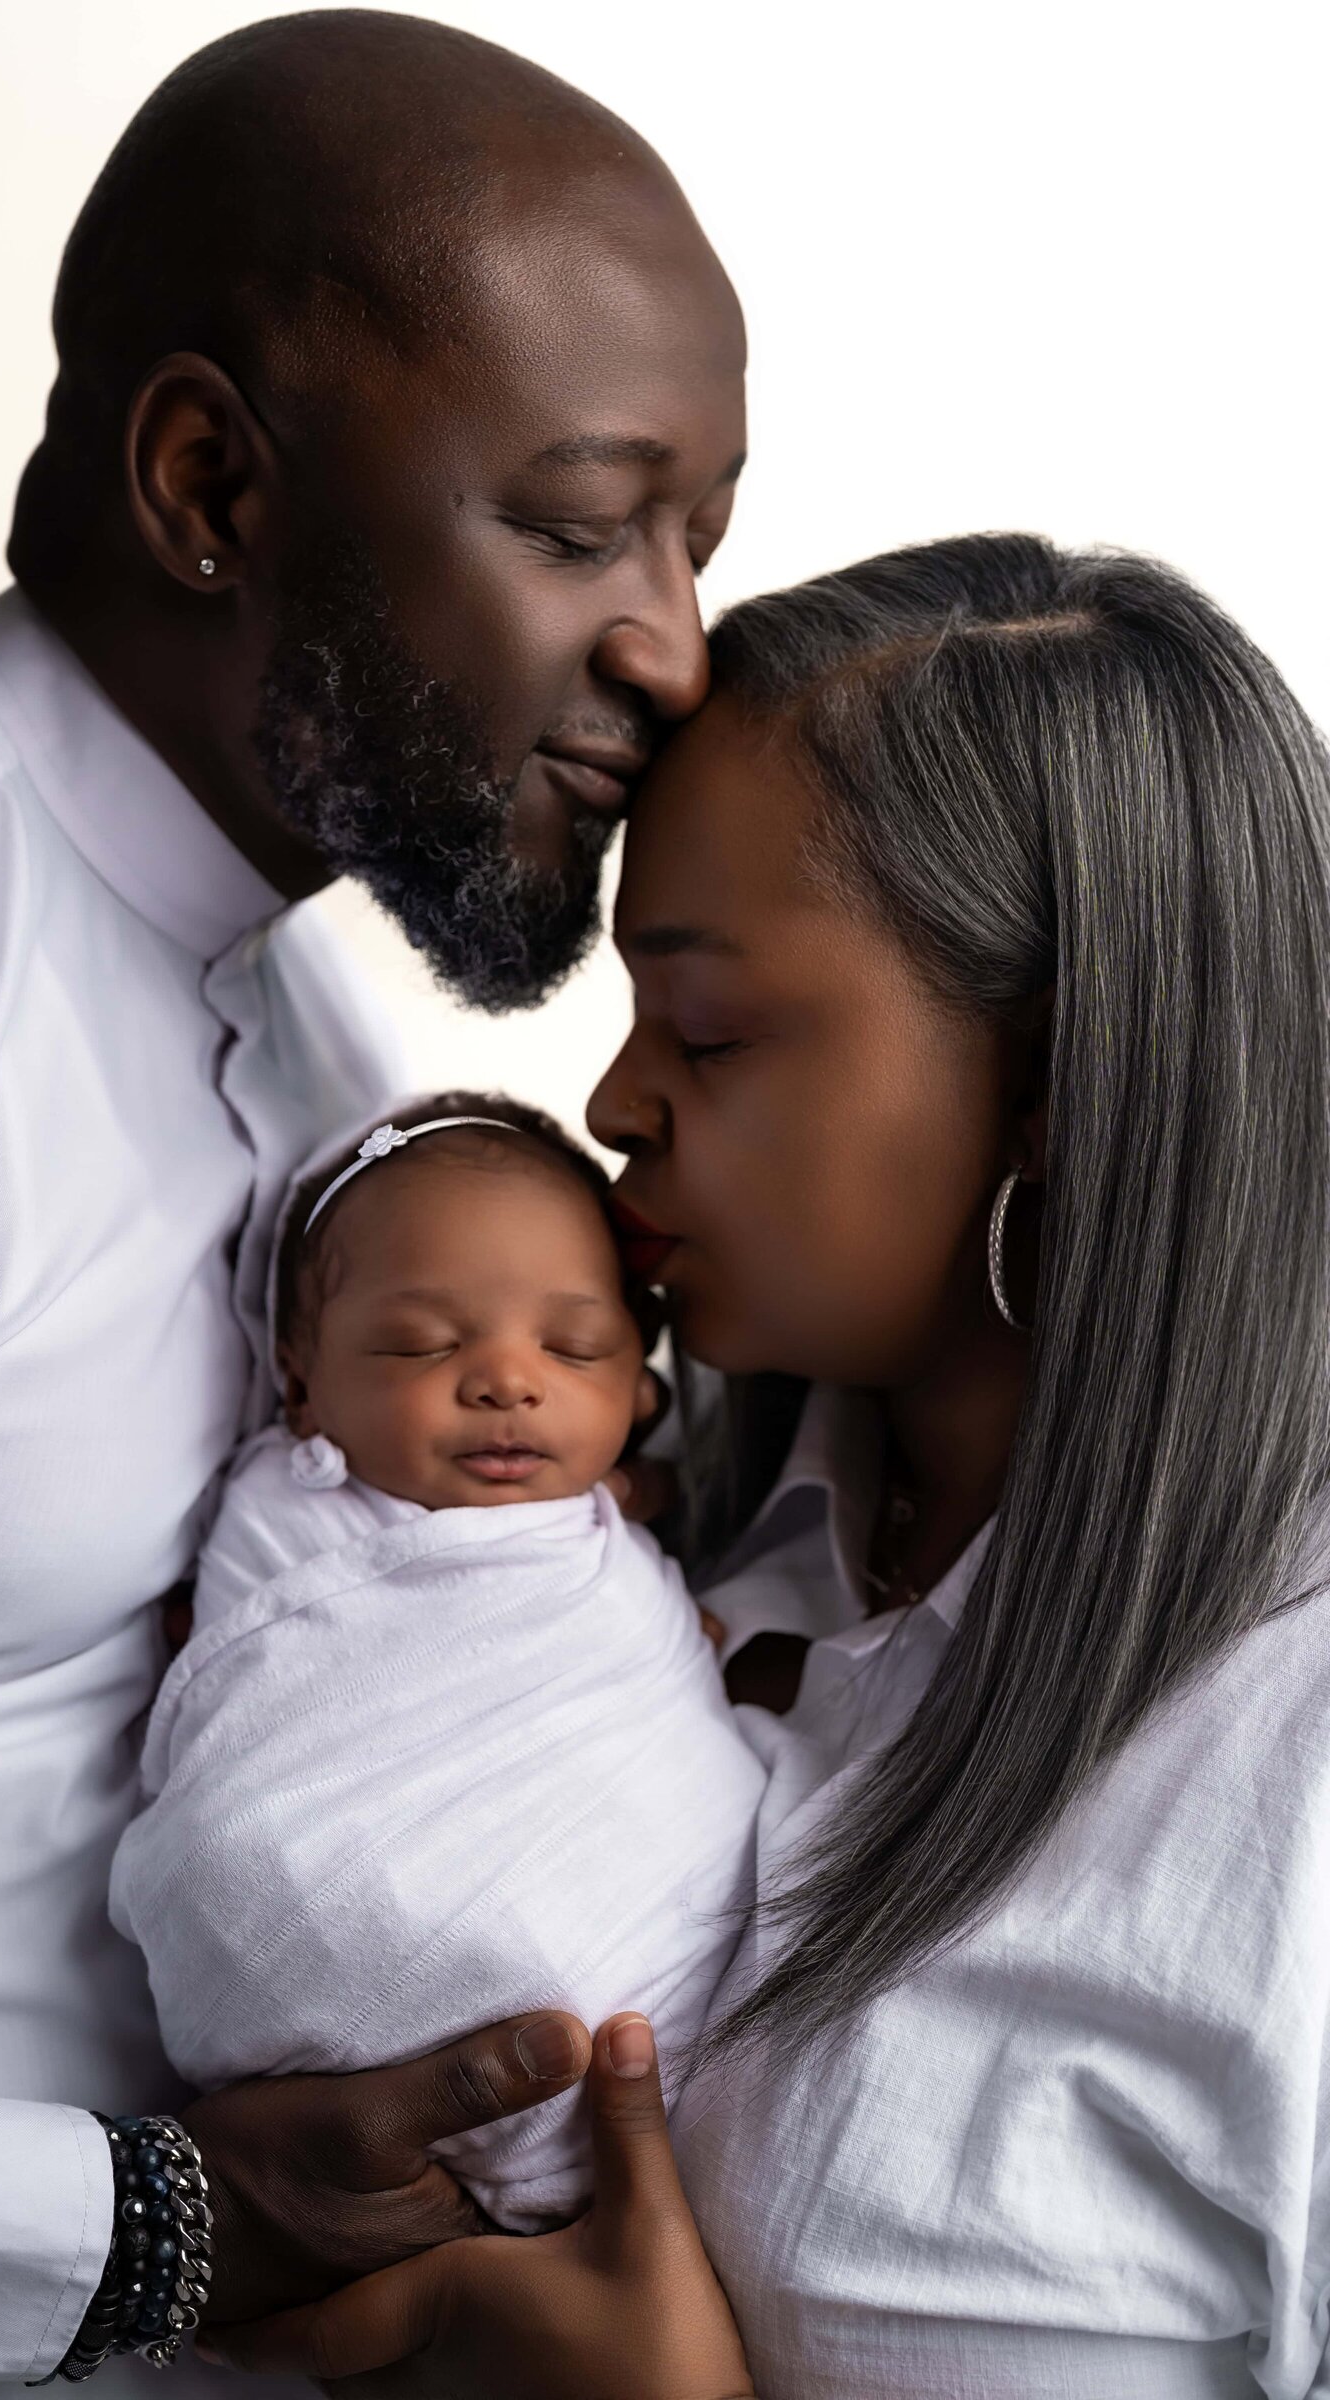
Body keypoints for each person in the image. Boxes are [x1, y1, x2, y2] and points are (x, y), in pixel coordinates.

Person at [0, 13, 745, 2393]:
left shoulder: (333, 1046)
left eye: (699, 536)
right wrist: (154, 2225)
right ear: (208, 479)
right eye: (582, 519)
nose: (673, 648)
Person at [219, 533, 1330, 2398]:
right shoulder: (590, 1525)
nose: (614, 1100)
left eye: (710, 1025)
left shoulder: (1280, 1764)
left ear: (1056, 1080)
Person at [109, 1095, 768, 2231]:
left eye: (573, 1348)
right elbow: (261, 1745)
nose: (507, 1380)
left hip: (655, 2037)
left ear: (640, 1388)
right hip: (350, 1991)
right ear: (300, 1378)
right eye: (423, 1344)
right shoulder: (285, 1512)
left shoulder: (619, 1544)